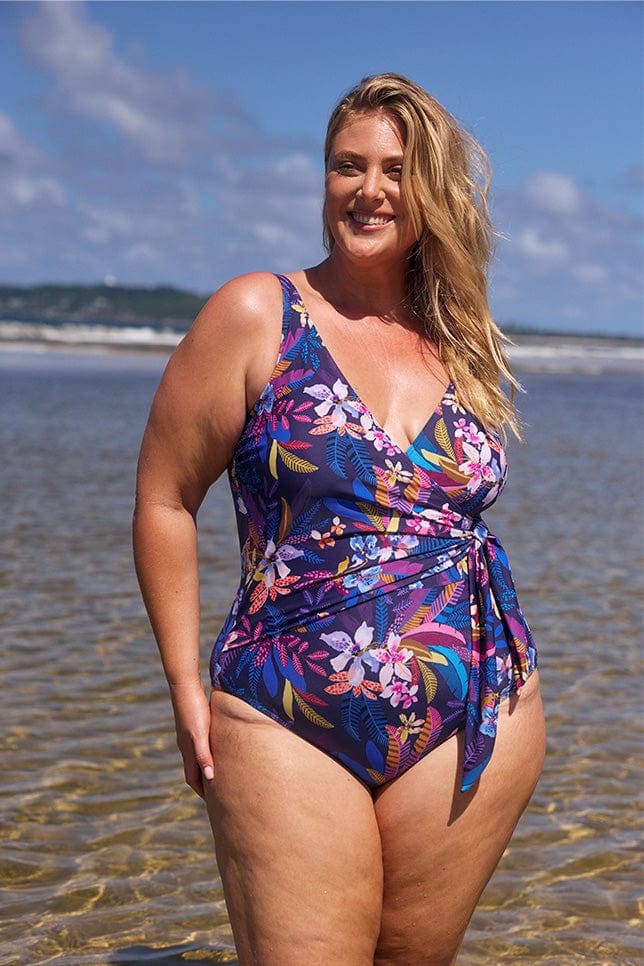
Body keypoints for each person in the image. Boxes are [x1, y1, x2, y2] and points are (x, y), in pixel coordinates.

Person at [133, 73, 546, 966]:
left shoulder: (461, 336)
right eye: (346, 166)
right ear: (323, 180)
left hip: (475, 708)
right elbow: (166, 498)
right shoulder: (257, 314)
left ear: (430, 188)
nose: (369, 189)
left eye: (395, 169)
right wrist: (180, 688)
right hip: (286, 707)